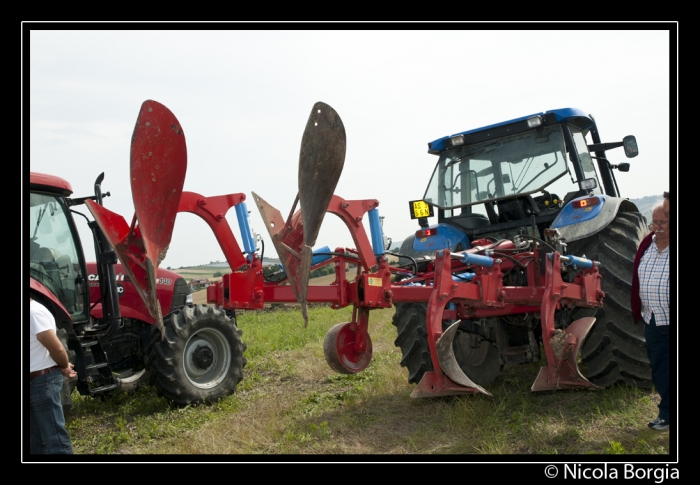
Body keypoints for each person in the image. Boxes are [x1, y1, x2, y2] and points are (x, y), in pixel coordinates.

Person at [631, 202, 670, 431]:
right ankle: (667, 413)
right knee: (661, 368)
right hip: (653, 319)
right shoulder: (647, 245)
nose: (657, 227)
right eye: (654, 222)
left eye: (663, 222)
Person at [29, 297, 77, 454]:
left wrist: (64, 366)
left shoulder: (34, 313)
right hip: (36, 381)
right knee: (34, 440)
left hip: (42, 381)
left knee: (54, 438)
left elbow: (56, 348)